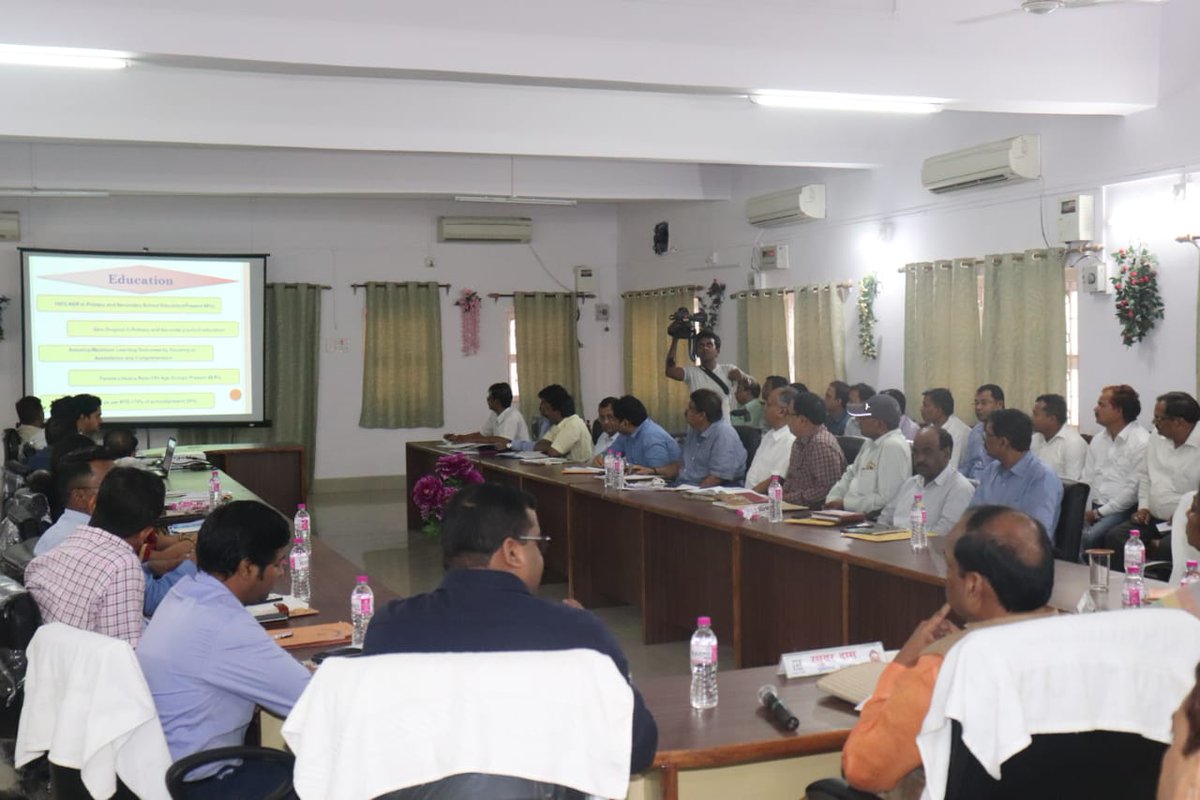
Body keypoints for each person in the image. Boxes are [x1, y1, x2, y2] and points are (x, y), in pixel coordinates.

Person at [363, 482, 658, 774]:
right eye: (539, 543)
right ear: (512, 551)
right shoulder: (576, 631)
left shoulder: (390, 626)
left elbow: (375, 742)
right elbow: (637, 748)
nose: (541, 555)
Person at [841, 505, 1055, 795]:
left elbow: (864, 770)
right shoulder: (1080, 646)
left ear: (972, 586)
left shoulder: (943, 667)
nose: (947, 577)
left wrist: (903, 664)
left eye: (949, 567)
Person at [138, 501, 311, 797]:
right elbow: (309, 700)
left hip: (159, 771)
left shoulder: (183, 593)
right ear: (247, 567)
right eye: (277, 564)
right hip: (203, 783)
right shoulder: (225, 626)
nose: (281, 573)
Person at [25, 466, 164, 646]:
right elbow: (125, 650)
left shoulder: (60, 549)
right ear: (146, 533)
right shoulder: (122, 565)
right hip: (86, 661)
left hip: (52, 656)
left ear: (93, 504)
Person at [1105, 391, 1200, 569]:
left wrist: (1185, 513)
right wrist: (1144, 507)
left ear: (1178, 422)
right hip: (1154, 519)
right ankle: (1126, 583)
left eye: (1158, 419)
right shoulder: (1156, 437)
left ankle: (1166, 586)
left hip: (1188, 522)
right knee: (1116, 536)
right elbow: (1145, 475)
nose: (1154, 423)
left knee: (1167, 547)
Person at [969, 408, 1063, 536]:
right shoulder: (991, 470)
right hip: (984, 543)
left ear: (1003, 442)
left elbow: (1034, 534)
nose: (983, 440)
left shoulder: (1042, 477)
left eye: (988, 435)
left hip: (1017, 546)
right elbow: (972, 516)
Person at [1080, 384, 1149, 557]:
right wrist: (1081, 509)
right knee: (1067, 528)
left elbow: (1132, 492)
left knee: (1089, 537)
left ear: (1118, 411)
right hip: (1093, 505)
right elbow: (1087, 478)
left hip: (1120, 509)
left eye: (1101, 405)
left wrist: (1097, 513)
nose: (1095, 409)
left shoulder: (1141, 441)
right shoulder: (1098, 439)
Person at [824, 394, 912, 516]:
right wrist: (832, 499)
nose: (858, 421)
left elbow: (887, 500)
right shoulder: (870, 443)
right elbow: (849, 475)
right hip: (848, 514)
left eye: (863, 418)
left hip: (872, 519)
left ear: (879, 424)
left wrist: (845, 504)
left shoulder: (893, 447)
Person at [878, 426, 975, 536]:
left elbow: (942, 535)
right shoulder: (910, 483)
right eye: (915, 452)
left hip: (924, 546)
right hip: (891, 543)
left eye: (927, 452)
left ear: (946, 453)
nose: (920, 459)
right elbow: (885, 519)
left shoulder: (960, 489)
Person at [649, 389, 745, 487]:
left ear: (701, 415)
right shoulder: (695, 429)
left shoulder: (724, 435)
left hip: (710, 490)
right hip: (684, 486)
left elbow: (716, 478)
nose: (686, 412)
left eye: (691, 408)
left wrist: (691, 493)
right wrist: (653, 471)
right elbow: (682, 465)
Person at [665, 329, 752, 421]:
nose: (705, 348)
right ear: (696, 352)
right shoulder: (691, 372)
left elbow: (748, 382)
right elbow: (670, 371)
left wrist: (743, 377)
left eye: (709, 345)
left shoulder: (727, 370)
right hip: (698, 425)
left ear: (717, 351)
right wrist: (675, 339)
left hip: (722, 426)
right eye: (701, 345)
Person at [781, 390, 846, 507]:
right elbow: (791, 479)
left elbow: (826, 489)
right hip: (792, 505)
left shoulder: (821, 444)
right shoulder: (799, 440)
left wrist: (788, 498)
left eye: (789, 414)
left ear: (802, 420)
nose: (786, 418)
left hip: (813, 510)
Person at [604, 395, 680, 471]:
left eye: (612, 419)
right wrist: (601, 457)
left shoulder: (652, 437)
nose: (609, 422)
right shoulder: (625, 434)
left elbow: (659, 474)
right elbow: (610, 454)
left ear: (625, 423)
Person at [744, 386, 797, 492]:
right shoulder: (769, 434)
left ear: (782, 412)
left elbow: (777, 478)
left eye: (768, 404)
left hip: (766, 498)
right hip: (749, 494)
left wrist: (750, 495)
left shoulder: (791, 440)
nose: (764, 408)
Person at [445, 382, 530, 447]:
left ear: (496, 401)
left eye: (489, 397)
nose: (487, 399)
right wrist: (460, 438)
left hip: (520, 457)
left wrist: (467, 441)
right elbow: (482, 434)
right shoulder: (494, 414)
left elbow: (502, 441)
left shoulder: (512, 416)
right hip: (505, 454)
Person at [1030, 393, 1087, 481]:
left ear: (1052, 419)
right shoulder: (1034, 439)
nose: (1031, 418)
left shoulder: (1073, 443)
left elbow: (1072, 483)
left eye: (1035, 415)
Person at [532, 384, 593, 462]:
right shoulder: (558, 424)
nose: (544, 413)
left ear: (557, 411)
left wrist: (553, 446)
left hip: (580, 468)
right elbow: (538, 446)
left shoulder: (573, 423)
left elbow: (554, 452)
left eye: (547, 409)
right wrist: (554, 445)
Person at [960, 384, 1004, 480]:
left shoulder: (1008, 431)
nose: (978, 407)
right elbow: (967, 465)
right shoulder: (975, 431)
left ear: (999, 404)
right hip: (971, 482)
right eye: (976, 403)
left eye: (984, 403)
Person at [920, 387, 971, 469]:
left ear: (939, 410)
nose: (921, 409)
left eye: (925, 405)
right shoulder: (931, 427)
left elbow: (951, 467)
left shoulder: (957, 432)